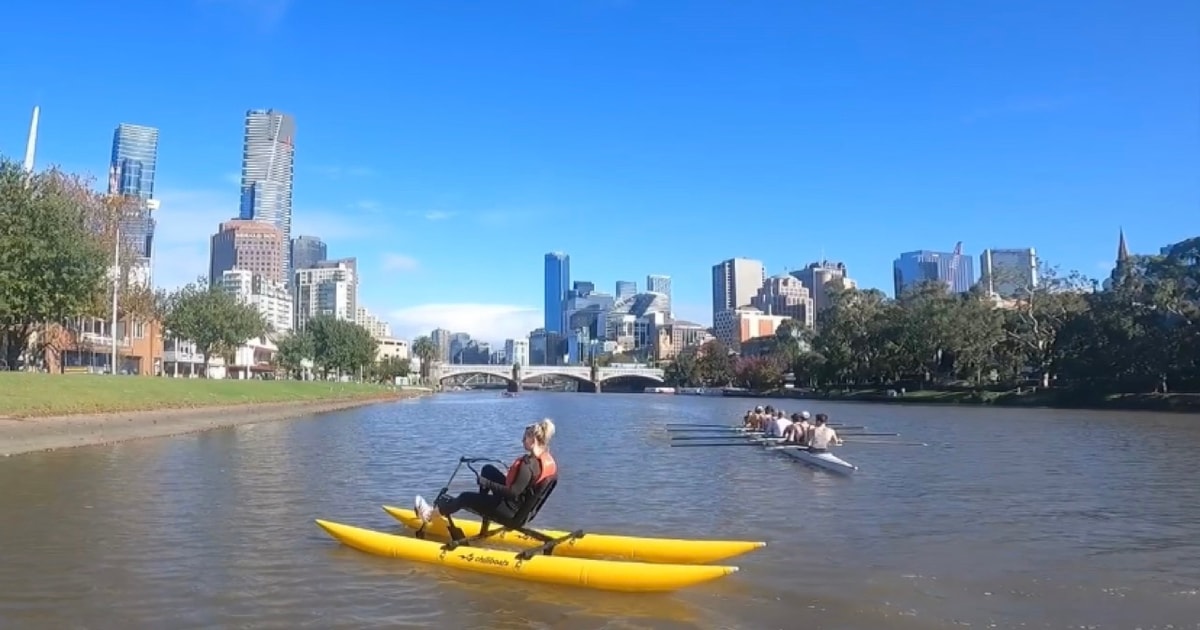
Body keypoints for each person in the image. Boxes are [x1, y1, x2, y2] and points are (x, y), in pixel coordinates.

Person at [415, 418, 557, 524]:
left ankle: (429, 515)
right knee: (487, 469)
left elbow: (513, 492)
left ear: (533, 440)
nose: (522, 440)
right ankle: (484, 512)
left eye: (525, 437)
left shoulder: (527, 466)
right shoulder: (540, 461)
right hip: (520, 508)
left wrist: (486, 483)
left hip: (512, 513)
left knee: (464, 497)